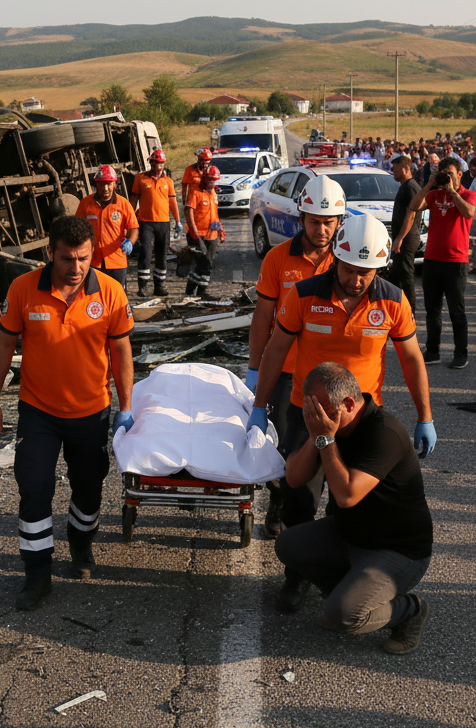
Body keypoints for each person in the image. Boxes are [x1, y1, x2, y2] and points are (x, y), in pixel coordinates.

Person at [248, 214, 435, 610]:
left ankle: (343, 574)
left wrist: (425, 416)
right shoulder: (302, 295)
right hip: (305, 412)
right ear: (335, 257)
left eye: (366, 273)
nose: (356, 280)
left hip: (360, 424)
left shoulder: (393, 300)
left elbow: (413, 360)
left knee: (348, 500)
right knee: (299, 494)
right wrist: (259, 405)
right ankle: (295, 576)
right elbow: (276, 349)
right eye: (350, 270)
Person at [0, 215, 135, 611]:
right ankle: (37, 574)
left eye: (83, 258)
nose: (76, 267)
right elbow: (3, 346)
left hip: (91, 413)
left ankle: (81, 542)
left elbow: (120, 352)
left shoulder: (112, 293)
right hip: (39, 412)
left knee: (89, 489)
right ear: (50, 254)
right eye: (66, 258)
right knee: (34, 488)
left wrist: (126, 408)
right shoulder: (23, 289)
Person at [274, 362, 433, 653]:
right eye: (312, 410)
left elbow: (347, 495)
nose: (316, 418)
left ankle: (410, 610)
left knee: (345, 616)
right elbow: (294, 478)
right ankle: (347, 592)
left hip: (397, 550)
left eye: (321, 410)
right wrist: (315, 436)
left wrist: (325, 438)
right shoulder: (330, 427)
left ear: (348, 403)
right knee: (288, 545)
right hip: (348, 534)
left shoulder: (384, 433)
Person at [246, 175, 347, 537]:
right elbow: (262, 318)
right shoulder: (277, 259)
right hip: (287, 374)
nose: (322, 229)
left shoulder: (346, 262)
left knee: (336, 455)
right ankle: (280, 503)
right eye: (315, 221)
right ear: (301, 218)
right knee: (285, 453)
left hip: (334, 378)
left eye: (329, 222)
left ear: (339, 222)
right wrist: (255, 369)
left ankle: (329, 531)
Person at [396, 157, 476, 369]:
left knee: (456, 312)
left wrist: (452, 191)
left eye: (450, 173)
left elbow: (469, 212)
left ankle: (461, 353)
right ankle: (433, 351)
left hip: (455, 262)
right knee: (432, 310)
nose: (446, 177)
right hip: (432, 261)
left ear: (460, 174)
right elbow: (413, 206)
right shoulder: (433, 194)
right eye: (443, 173)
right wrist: (430, 185)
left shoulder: (469, 195)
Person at [74, 165, 139, 289]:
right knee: (94, 297)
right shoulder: (85, 204)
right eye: (101, 184)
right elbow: (77, 228)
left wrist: (130, 242)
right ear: (96, 185)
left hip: (116, 261)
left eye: (109, 184)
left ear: (115, 184)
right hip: (92, 261)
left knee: (118, 297)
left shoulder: (123, 204)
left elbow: (133, 228)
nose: (105, 188)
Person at [131, 148, 181, 298]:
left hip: (163, 223)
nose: (156, 167)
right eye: (154, 163)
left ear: (163, 165)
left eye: (159, 164)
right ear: (150, 163)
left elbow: (172, 202)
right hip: (146, 223)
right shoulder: (140, 178)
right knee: (146, 252)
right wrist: (130, 218)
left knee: (162, 254)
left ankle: (159, 285)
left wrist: (178, 221)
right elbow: (133, 200)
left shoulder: (168, 181)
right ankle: (143, 286)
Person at [183, 165, 225, 299]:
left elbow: (214, 214)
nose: (212, 183)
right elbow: (188, 213)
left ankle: (194, 291)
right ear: (205, 179)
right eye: (210, 180)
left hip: (212, 235)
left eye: (214, 180)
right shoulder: (195, 192)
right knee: (205, 265)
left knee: (206, 265)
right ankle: (199, 292)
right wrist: (195, 236)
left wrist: (221, 230)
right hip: (198, 235)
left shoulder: (213, 193)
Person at [388, 154, 422, 309]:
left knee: (407, 275)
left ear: (406, 169)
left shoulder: (411, 187)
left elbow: (411, 215)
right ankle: (393, 306)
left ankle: (410, 312)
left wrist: (400, 238)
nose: (393, 172)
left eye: (395, 169)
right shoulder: (405, 186)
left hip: (407, 239)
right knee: (395, 276)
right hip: (402, 238)